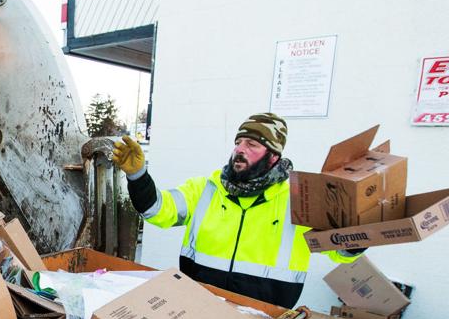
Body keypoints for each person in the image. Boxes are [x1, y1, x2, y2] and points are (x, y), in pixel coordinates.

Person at [112, 112, 362, 308]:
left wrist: (359, 227)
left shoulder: (299, 201)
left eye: (252, 144)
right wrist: (137, 175)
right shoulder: (205, 189)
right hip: (197, 307)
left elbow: (340, 252)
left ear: (273, 156)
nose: (240, 150)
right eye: (238, 142)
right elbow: (156, 209)